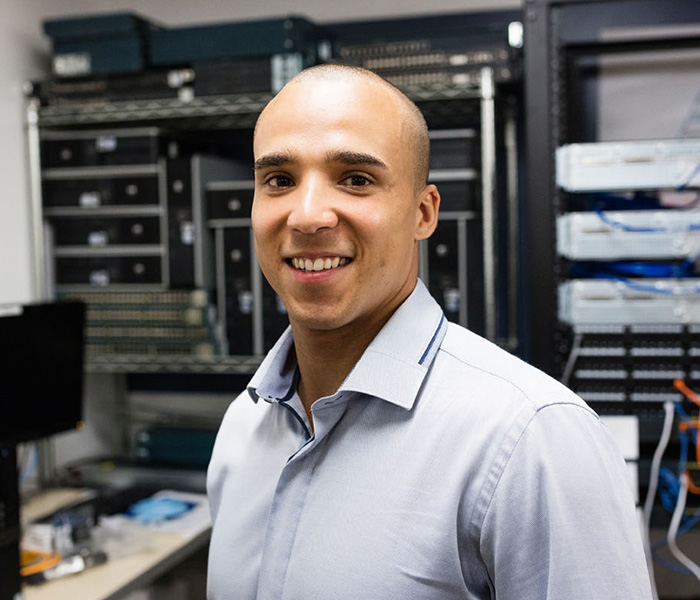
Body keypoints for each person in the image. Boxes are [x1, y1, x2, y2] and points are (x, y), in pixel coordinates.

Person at [207, 64, 652, 599]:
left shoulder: (532, 441)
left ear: (423, 213)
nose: (307, 216)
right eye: (279, 180)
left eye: (356, 179)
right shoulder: (244, 426)